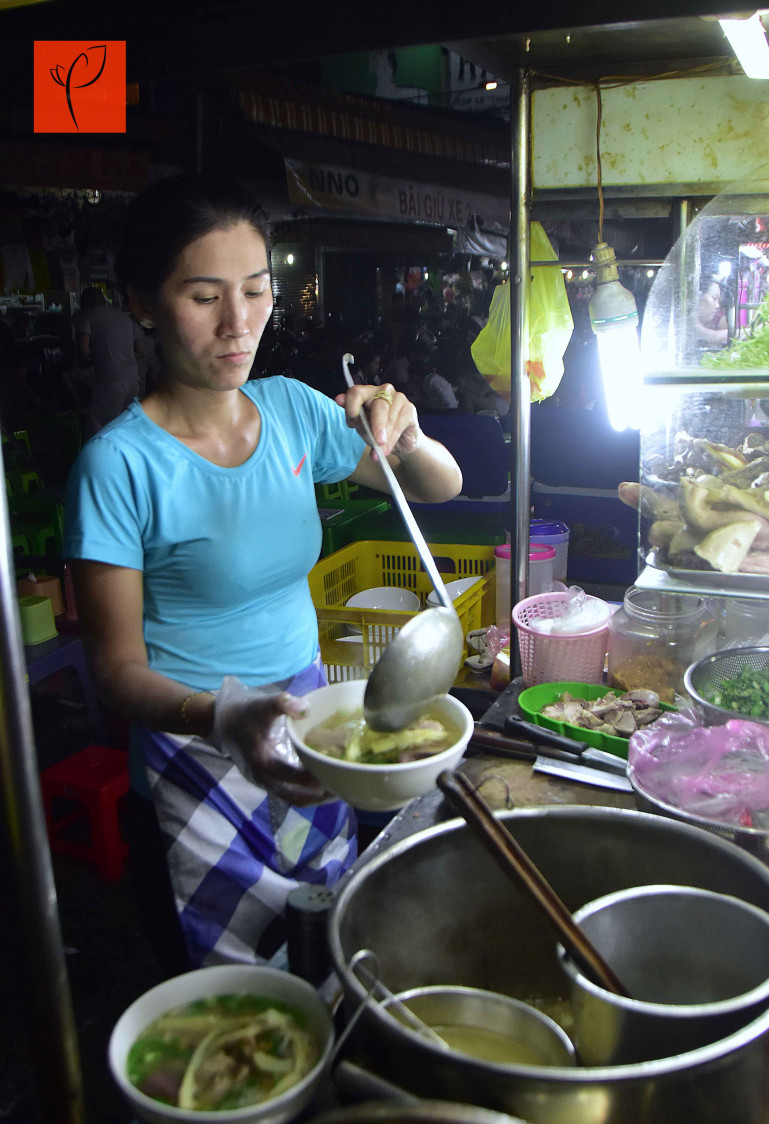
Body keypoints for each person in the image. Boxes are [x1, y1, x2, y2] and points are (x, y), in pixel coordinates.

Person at [62, 173, 461, 970]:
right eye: (205, 296)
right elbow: (114, 672)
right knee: (238, 1003)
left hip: (312, 725)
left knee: (330, 957)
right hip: (195, 753)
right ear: (143, 302)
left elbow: (441, 488)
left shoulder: (290, 410)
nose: (238, 323)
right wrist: (224, 715)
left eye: (255, 289)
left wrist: (407, 434)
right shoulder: (116, 466)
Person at [74, 286, 143, 437]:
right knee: (125, 427)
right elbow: (140, 350)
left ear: (84, 302)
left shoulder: (86, 315)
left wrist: (92, 361)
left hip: (109, 381)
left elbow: (83, 350)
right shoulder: (123, 317)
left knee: (99, 430)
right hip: (133, 380)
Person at [696, 275, 729, 348]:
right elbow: (712, 337)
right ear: (699, 298)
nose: (717, 305)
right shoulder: (689, 320)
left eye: (718, 300)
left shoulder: (718, 317)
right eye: (714, 298)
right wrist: (753, 331)